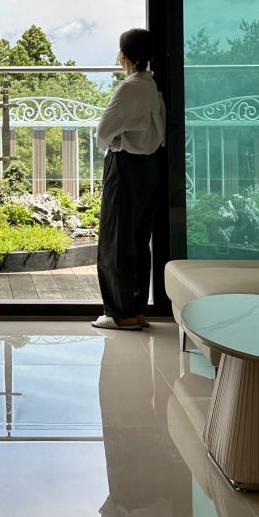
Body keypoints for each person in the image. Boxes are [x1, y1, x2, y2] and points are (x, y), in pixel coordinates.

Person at [92, 29, 166, 330]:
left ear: (124, 56)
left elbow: (102, 133)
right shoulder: (151, 86)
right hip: (149, 168)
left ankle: (120, 314)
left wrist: (115, 138)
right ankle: (136, 311)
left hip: (125, 167)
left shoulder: (129, 87)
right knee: (138, 240)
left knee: (116, 240)